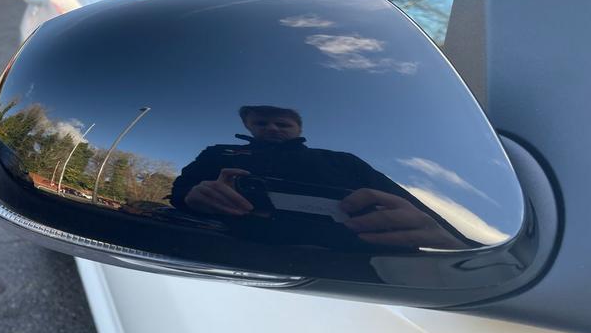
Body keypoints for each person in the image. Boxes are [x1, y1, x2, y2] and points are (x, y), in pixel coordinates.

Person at [171, 105, 474, 251]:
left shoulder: (342, 161)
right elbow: (179, 191)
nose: (272, 128)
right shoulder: (218, 154)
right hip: (221, 252)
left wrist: (454, 243)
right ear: (248, 126)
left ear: (299, 129)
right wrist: (193, 196)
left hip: (346, 263)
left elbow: (411, 207)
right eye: (261, 123)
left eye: (282, 124)